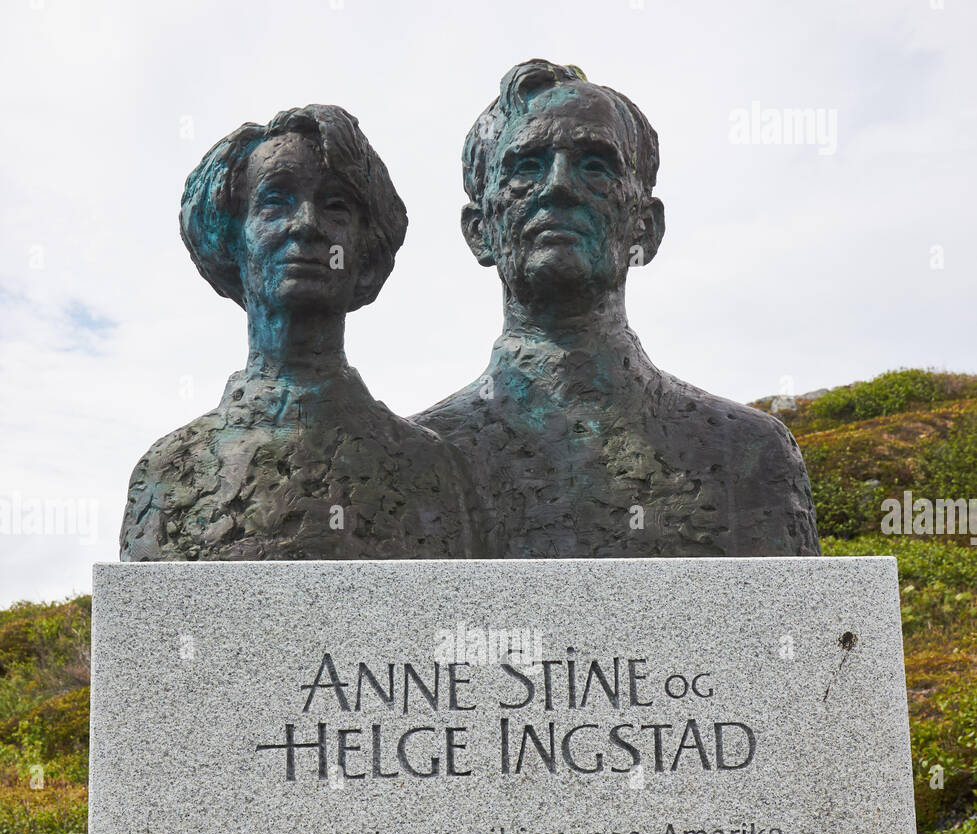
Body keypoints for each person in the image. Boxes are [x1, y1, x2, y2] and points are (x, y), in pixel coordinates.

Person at [415, 60, 820, 558]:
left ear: (645, 228)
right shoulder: (415, 463)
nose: (558, 186)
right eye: (525, 167)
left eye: (595, 166)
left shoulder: (749, 455)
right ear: (479, 232)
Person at [120, 104, 477, 561]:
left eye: (335, 206)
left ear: (365, 253)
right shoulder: (167, 474)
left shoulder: (427, 469)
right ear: (231, 243)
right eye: (275, 201)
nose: (307, 224)